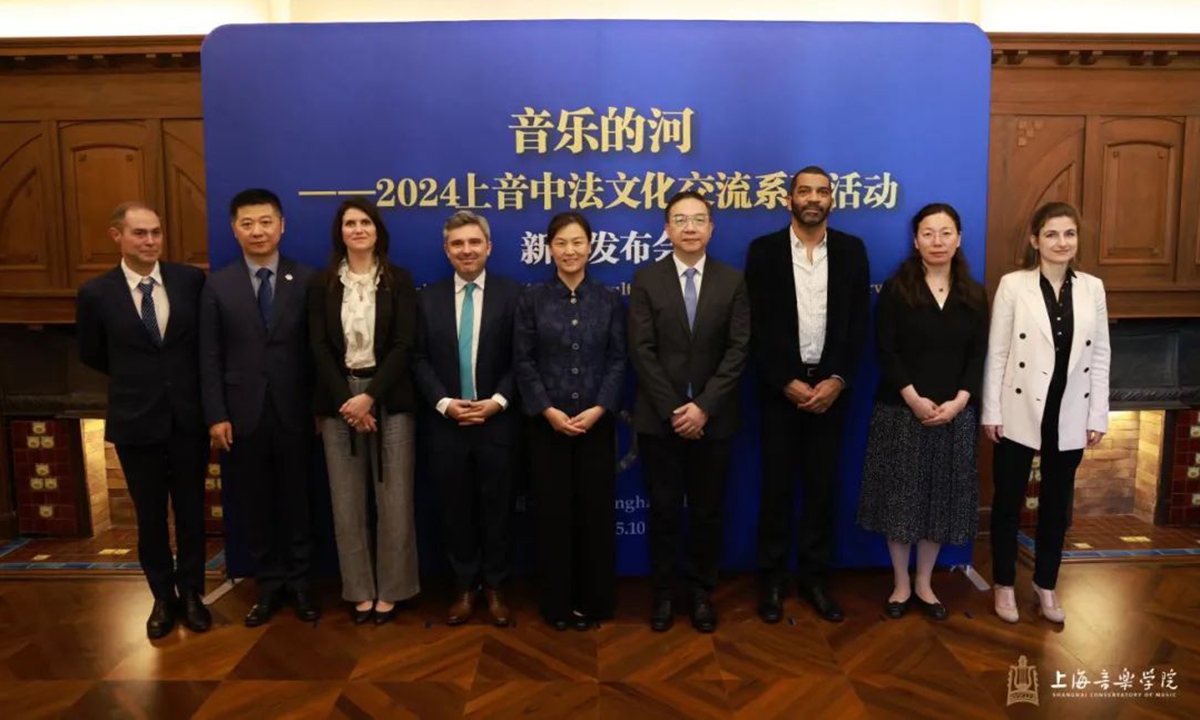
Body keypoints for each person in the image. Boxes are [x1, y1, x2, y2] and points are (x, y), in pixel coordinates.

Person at [76, 202, 211, 639]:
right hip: (136, 423)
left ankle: (192, 594)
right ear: (117, 236)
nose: (150, 241)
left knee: (192, 513)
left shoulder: (190, 281)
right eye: (139, 233)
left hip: (188, 421)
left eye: (155, 232)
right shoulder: (97, 294)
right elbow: (93, 353)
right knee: (150, 517)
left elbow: (200, 345)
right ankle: (161, 597)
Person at [744, 165, 870, 624]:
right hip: (781, 391)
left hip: (832, 392)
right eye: (804, 191)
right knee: (776, 489)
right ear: (789, 200)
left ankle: (816, 578)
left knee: (822, 488)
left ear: (831, 200)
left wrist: (836, 380)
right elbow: (753, 326)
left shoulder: (853, 252)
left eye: (821, 192)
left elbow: (858, 326)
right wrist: (784, 380)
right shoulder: (763, 252)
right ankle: (772, 580)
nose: (812, 198)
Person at [856, 203, 988, 621]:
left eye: (945, 232)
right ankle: (900, 582)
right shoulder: (897, 289)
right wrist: (913, 398)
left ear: (959, 239)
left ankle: (925, 583)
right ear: (915, 240)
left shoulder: (974, 294)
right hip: (901, 410)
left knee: (937, 501)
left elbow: (977, 353)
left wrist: (961, 400)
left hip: (955, 413)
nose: (937, 241)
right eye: (928, 233)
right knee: (901, 500)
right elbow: (886, 350)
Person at [629, 190, 750, 633]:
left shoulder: (732, 281)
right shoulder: (646, 280)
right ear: (667, 229)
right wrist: (676, 410)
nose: (690, 228)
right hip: (659, 421)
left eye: (699, 220)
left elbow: (739, 350)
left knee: (706, 512)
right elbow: (641, 352)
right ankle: (663, 594)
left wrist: (703, 408)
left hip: (714, 421)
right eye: (680, 220)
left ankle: (701, 592)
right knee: (662, 511)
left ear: (712, 227)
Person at [982, 201, 1110, 625]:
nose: (1061, 242)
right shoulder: (1013, 285)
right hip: (1018, 408)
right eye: (1051, 234)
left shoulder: (1093, 288)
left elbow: (1102, 356)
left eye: (1069, 234)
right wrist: (991, 410)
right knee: (1008, 504)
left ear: (1077, 241)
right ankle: (1003, 584)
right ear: (1035, 240)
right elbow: (998, 352)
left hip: (1070, 410)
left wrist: (1098, 416)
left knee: (1057, 507)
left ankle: (1046, 584)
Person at [199, 188, 320, 627]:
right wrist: (216, 414)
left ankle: (303, 583)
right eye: (247, 223)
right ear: (234, 229)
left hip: (296, 410)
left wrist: (319, 408)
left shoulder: (307, 279)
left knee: (299, 497)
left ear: (282, 225)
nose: (257, 231)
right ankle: (268, 585)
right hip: (241, 412)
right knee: (257, 500)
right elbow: (208, 356)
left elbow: (318, 352)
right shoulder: (218, 283)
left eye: (266, 222)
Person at [308, 198, 419, 625]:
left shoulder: (399, 280)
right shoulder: (322, 284)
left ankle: (393, 589)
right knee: (346, 500)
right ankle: (359, 589)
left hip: (389, 394)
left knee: (395, 500)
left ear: (378, 231)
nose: (357, 229)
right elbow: (317, 347)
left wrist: (369, 397)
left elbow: (404, 345)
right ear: (340, 231)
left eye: (365, 222)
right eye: (350, 223)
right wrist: (348, 401)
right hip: (339, 399)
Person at [514, 212, 626, 631]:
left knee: (595, 516)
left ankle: (595, 602)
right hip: (548, 426)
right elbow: (523, 361)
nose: (570, 250)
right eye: (561, 243)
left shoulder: (609, 299)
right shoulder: (533, 299)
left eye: (578, 242)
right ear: (549, 248)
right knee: (553, 516)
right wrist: (548, 410)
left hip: (597, 424)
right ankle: (557, 604)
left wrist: (600, 408)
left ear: (591, 246)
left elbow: (618, 359)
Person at [414, 210, 522, 627]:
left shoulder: (513, 295)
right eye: (457, 244)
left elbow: (522, 360)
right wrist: (444, 402)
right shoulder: (427, 298)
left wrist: (497, 401)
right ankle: (463, 587)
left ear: (489, 247)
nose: (467, 250)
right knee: (454, 510)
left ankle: (495, 587)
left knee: (498, 510)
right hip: (446, 423)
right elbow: (418, 358)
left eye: (474, 242)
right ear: (446, 250)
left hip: (497, 422)